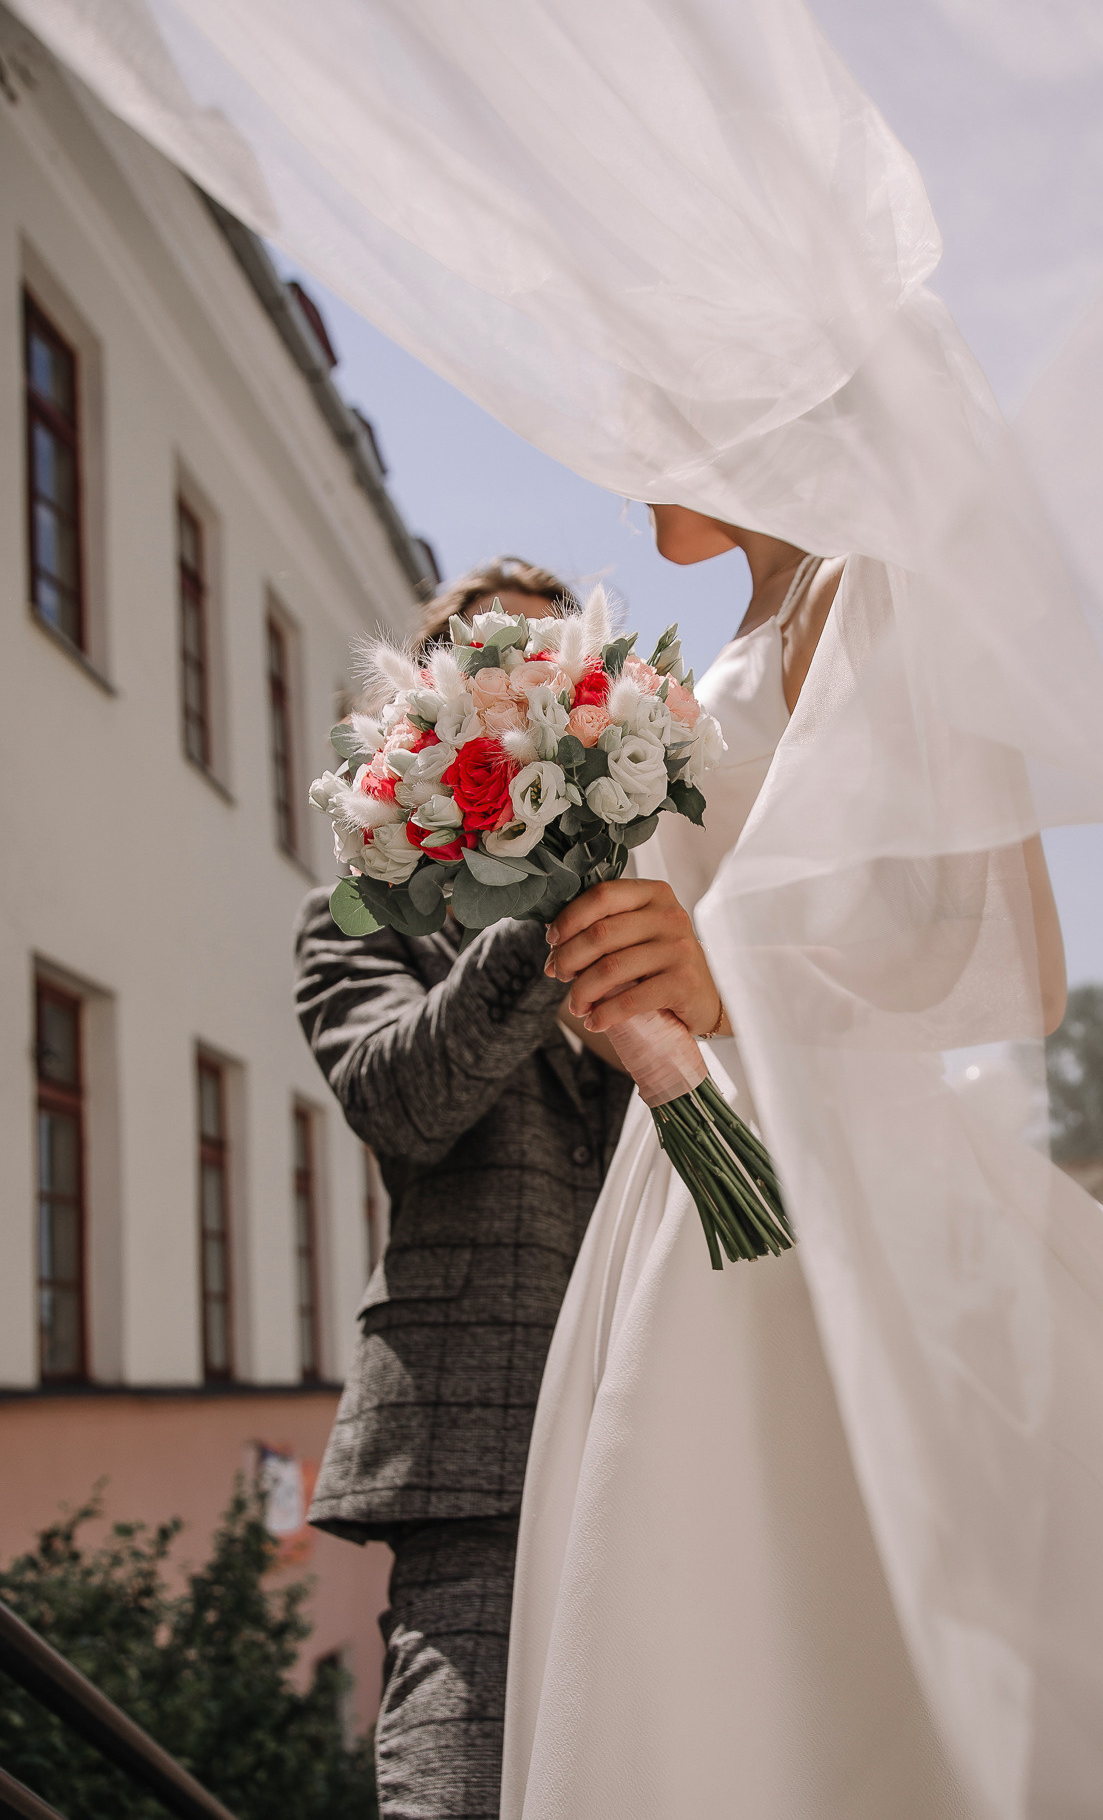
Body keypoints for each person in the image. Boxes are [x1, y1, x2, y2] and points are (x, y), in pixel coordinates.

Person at [500, 513, 1103, 1819]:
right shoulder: (732, 636)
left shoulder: (874, 584)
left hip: (849, 1189)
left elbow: (1011, 960)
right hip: (689, 1181)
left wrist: (725, 981)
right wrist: (623, 982)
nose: (624, 458)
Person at [294, 557, 633, 1820]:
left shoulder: (654, 901)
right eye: (496, 664)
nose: (529, 688)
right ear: (432, 712)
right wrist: (541, 914)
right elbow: (400, 1100)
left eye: (554, 665)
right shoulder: (359, 913)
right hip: (475, 1457)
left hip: (662, 1415)